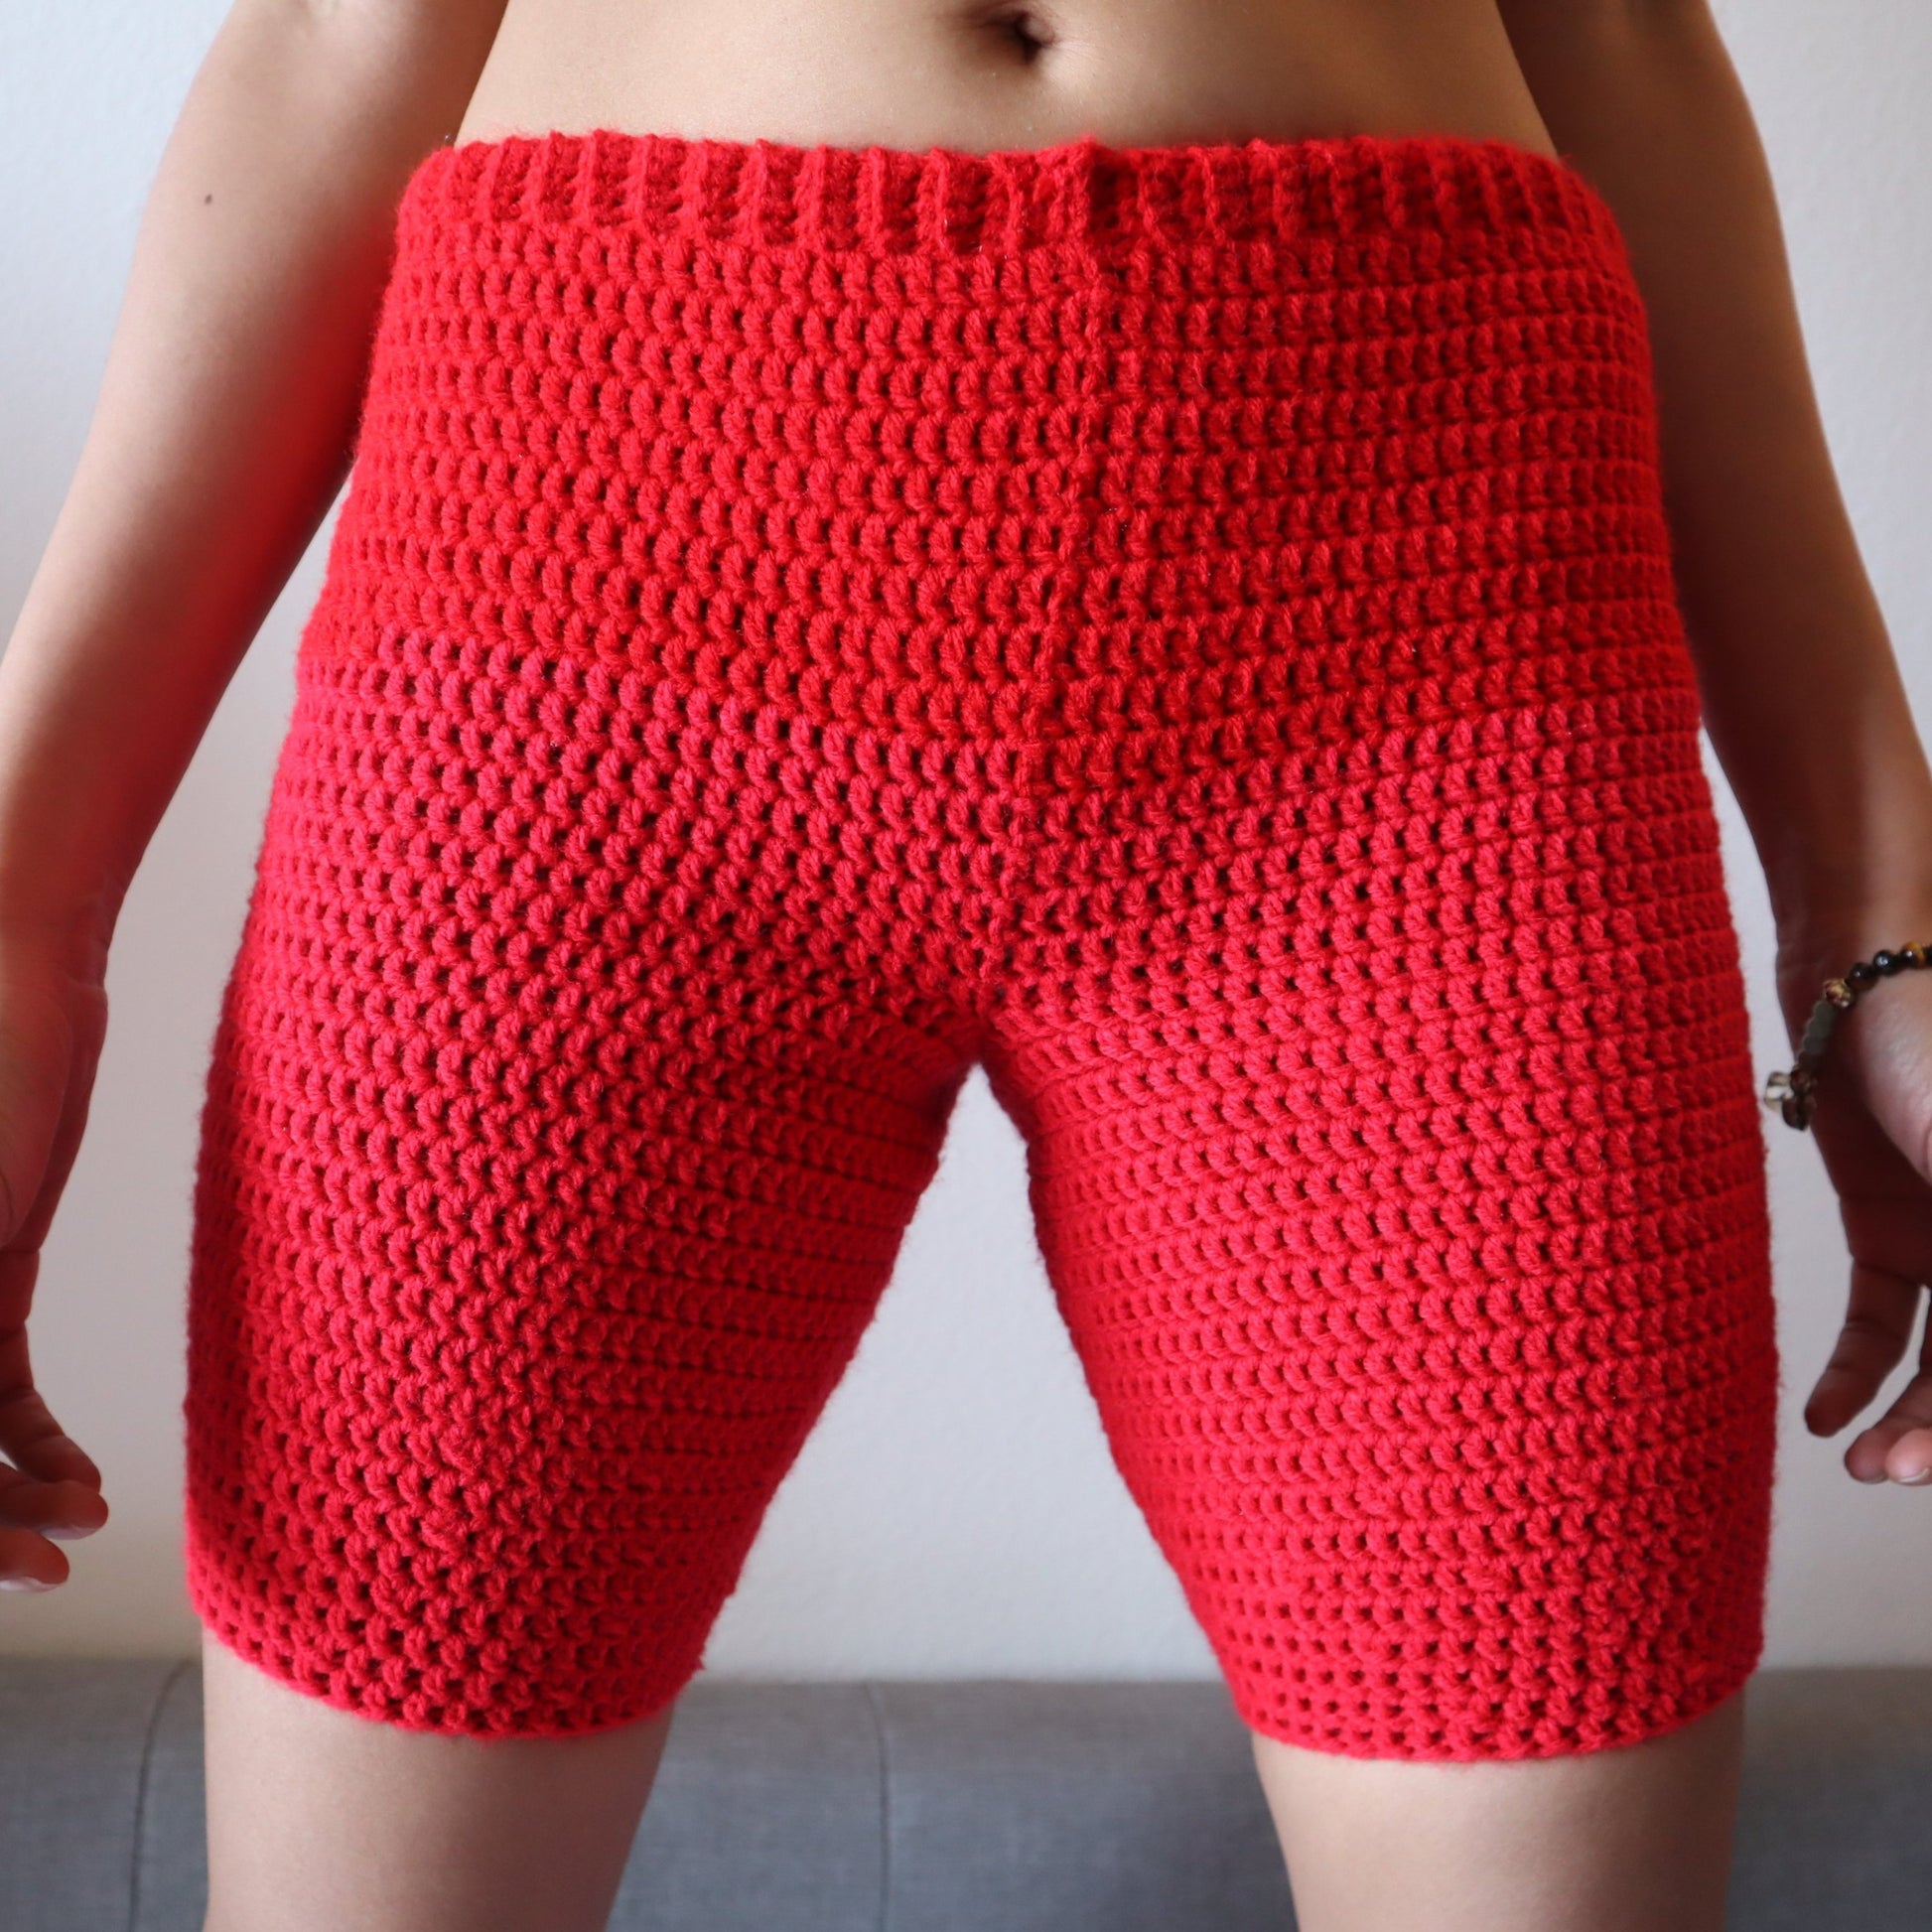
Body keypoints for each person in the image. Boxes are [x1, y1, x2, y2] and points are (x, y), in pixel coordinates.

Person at [3, 2, 1930, 1927]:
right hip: (572, 626)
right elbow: (341, 27)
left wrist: (1873, 902)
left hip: (1431, 642)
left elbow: (1616, 34)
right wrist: (20, 912)